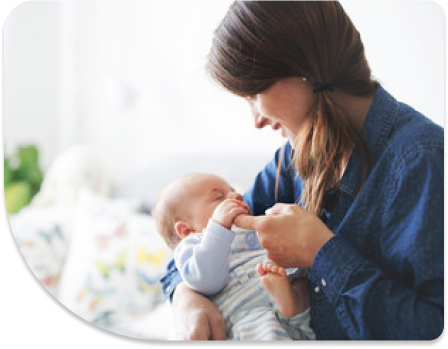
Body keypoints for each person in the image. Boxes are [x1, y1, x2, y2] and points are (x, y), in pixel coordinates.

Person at [160, 0, 444, 341]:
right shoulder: (290, 161)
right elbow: (196, 237)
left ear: (302, 69)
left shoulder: (422, 161)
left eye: (254, 94)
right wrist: (186, 299)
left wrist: (322, 252)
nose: (257, 120)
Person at [152, 172, 315, 341]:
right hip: (243, 322)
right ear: (186, 230)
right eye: (219, 197)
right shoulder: (193, 245)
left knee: (300, 293)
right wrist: (218, 227)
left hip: (288, 316)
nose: (237, 195)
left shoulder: (254, 225)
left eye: (233, 190)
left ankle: (288, 301)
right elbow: (205, 281)